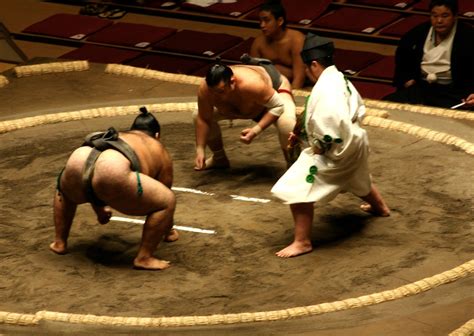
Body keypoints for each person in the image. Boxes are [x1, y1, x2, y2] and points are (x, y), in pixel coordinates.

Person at [271, 33, 390, 258]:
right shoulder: (340, 79)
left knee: (296, 186)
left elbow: (331, 129)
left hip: (338, 149)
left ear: (314, 64)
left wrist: (318, 148)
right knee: (357, 174)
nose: (307, 73)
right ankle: (380, 207)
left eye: (307, 68)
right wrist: (299, 131)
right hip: (356, 142)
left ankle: (302, 241)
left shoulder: (326, 90)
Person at [50, 107, 178, 270]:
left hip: (80, 157)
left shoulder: (122, 135)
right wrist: (169, 232)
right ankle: (144, 257)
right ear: (157, 135)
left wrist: (99, 208)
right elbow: (163, 191)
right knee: (168, 201)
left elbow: (94, 171)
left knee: (63, 188)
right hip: (113, 170)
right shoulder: (158, 147)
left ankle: (59, 242)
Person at [194, 61, 297, 170]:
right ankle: (219, 158)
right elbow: (203, 118)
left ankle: (292, 166)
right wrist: (200, 149)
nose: (216, 96)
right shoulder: (206, 89)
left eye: (220, 91)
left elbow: (278, 105)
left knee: (287, 124)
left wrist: (256, 130)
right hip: (241, 107)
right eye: (213, 91)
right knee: (197, 114)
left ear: (232, 82)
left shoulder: (252, 83)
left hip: (274, 93)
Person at [384, 0, 474, 108]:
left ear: (455, 16)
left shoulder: (469, 36)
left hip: (454, 91)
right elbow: (402, 57)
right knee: (387, 104)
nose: (439, 20)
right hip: (422, 87)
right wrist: (407, 80)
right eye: (434, 16)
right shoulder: (418, 33)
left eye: (445, 16)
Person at [250, 0, 307, 89]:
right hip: (270, 87)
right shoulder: (258, 43)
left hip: (301, 86)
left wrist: (288, 99)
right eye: (260, 21)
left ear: (280, 21)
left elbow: (299, 78)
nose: (262, 25)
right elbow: (253, 74)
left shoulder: (296, 39)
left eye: (266, 20)